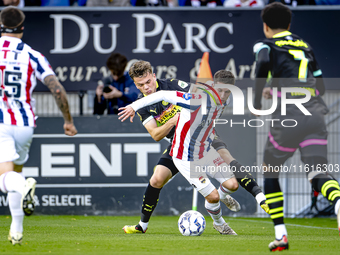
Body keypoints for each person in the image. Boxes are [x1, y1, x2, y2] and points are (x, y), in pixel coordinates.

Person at [120, 62, 269, 234]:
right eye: (140, 85)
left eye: (148, 82)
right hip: (178, 144)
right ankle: (142, 226)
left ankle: (237, 195)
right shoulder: (142, 104)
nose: (146, 87)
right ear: (135, 84)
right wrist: (174, 120)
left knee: (227, 159)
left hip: (204, 135)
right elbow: (155, 134)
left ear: (153, 76)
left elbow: (200, 96)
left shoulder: (174, 85)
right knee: (156, 179)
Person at [253, 2, 340, 251]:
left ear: (266, 26)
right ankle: (338, 202)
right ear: (290, 25)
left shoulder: (265, 44)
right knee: (316, 172)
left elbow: (261, 66)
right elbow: (321, 87)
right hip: (314, 113)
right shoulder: (306, 47)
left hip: (290, 114)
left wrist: (258, 101)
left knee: (269, 169)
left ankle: (281, 235)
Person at [0, 6, 77, 245]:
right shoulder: (32, 54)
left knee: (6, 179)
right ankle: (16, 230)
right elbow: (57, 88)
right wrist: (68, 120)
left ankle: (24, 185)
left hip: (1, 122)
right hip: (25, 124)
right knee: (15, 173)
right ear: (22, 28)